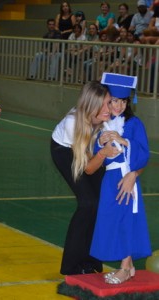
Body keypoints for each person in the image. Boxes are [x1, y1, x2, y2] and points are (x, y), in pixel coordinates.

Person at [50, 81, 119, 275]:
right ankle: (71, 266)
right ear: (91, 105)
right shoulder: (74, 123)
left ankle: (91, 261)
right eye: (105, 104)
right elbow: (88, 168)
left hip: (91, 150)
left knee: (101, 202)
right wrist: (104, 153)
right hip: (65, 151)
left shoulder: (107, 117)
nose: (110, 108)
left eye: (110, 102)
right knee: (88, 203)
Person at [90, 73, 152, 284]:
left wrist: (124, 141)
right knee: (112, 220)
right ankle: (130, 266)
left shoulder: (134, 124)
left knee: (126, 220)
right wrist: (103, 144)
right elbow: (98, 155)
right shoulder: (104, 123)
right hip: (110, 180)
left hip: (126, 177)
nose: (118, 105)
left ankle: (125, 268)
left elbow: (143, 154)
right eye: (114, 100)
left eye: (123, 101)